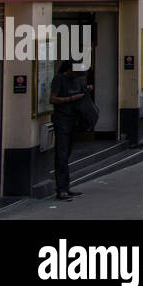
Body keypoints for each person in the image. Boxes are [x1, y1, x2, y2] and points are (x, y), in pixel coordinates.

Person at [50, 60, 91, 200]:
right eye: (76, 73)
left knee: (66, 153)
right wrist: (72, 98)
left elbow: (81, 93)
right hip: (62, 119)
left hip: (73, 119)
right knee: (61, 154)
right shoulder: (59, 79)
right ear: (69, 70)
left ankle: (66, 187)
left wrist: (86, 91)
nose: (77, 76)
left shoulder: (76, 81)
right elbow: (53, 99)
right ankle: (61, 188)